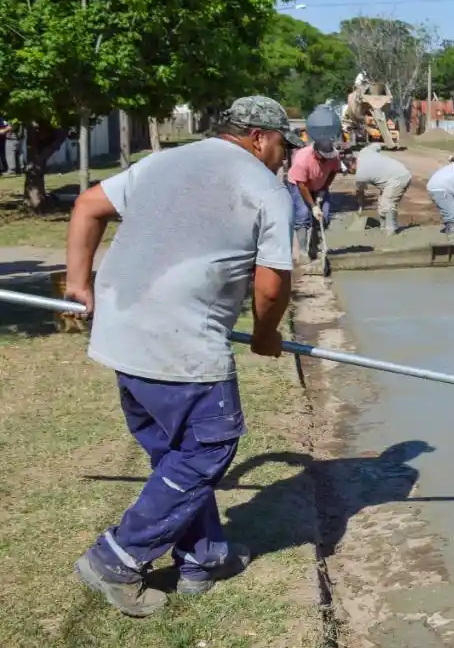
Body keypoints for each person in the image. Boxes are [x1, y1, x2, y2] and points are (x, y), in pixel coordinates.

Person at [61, 95, 300, 618]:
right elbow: (272, 284)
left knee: (178, 455)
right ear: (259, 137)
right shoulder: (266, 189)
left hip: (122, 335)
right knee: (209, 448)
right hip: (182, 345)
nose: (285, 156)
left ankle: (202, 558)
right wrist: (265, 334)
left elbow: (87, 206)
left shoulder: (162, 161)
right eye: (283, 144)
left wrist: (78, 284)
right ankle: (115, 558)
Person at [286, 135, 343, 261]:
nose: (326, 160)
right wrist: (313, 206)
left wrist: (323, 190)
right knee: (303, 213)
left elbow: (334, 171)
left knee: (325, 215)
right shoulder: (302, 159)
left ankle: (314, 245)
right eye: (323, 157)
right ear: (316, 152)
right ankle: (302, 251)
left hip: (320, 184)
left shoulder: (333, 155)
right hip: (299, 184)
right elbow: (302, 185)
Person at [349, 142, 413, 236]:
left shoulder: (360, 174)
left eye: (349, 170)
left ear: (351, 164)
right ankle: (383, 228)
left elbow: (360, 193)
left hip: (398, 177)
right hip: (392, 177)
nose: (350, 173)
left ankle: (391, 230)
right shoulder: (364, 152)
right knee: (381, 204)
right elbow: (376, 145)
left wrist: (360, 203)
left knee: (387, 203)